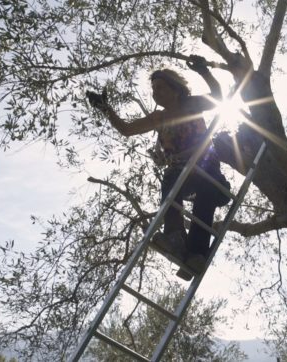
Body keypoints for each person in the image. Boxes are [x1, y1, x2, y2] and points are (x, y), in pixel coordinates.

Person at [86, 56, 230, 281]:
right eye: (153, 89)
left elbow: (218, 98)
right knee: (173, 176)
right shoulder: (159, 118)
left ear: (175, 89)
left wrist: (204, 72)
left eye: (160, 87)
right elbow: (126, 129)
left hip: (205, 166)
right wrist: (106, 109)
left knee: (203, 193)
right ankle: (178, 240)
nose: (156, 92)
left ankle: (194, 252)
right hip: (182, 174)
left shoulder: (190, 104)